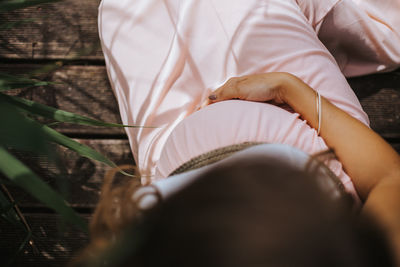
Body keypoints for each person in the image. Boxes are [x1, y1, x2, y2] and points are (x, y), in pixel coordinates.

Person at [75, 0, 400, 265]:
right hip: (307, 126)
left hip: (171, 154)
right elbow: (390, 179)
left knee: (124, 9)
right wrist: (288, 88)